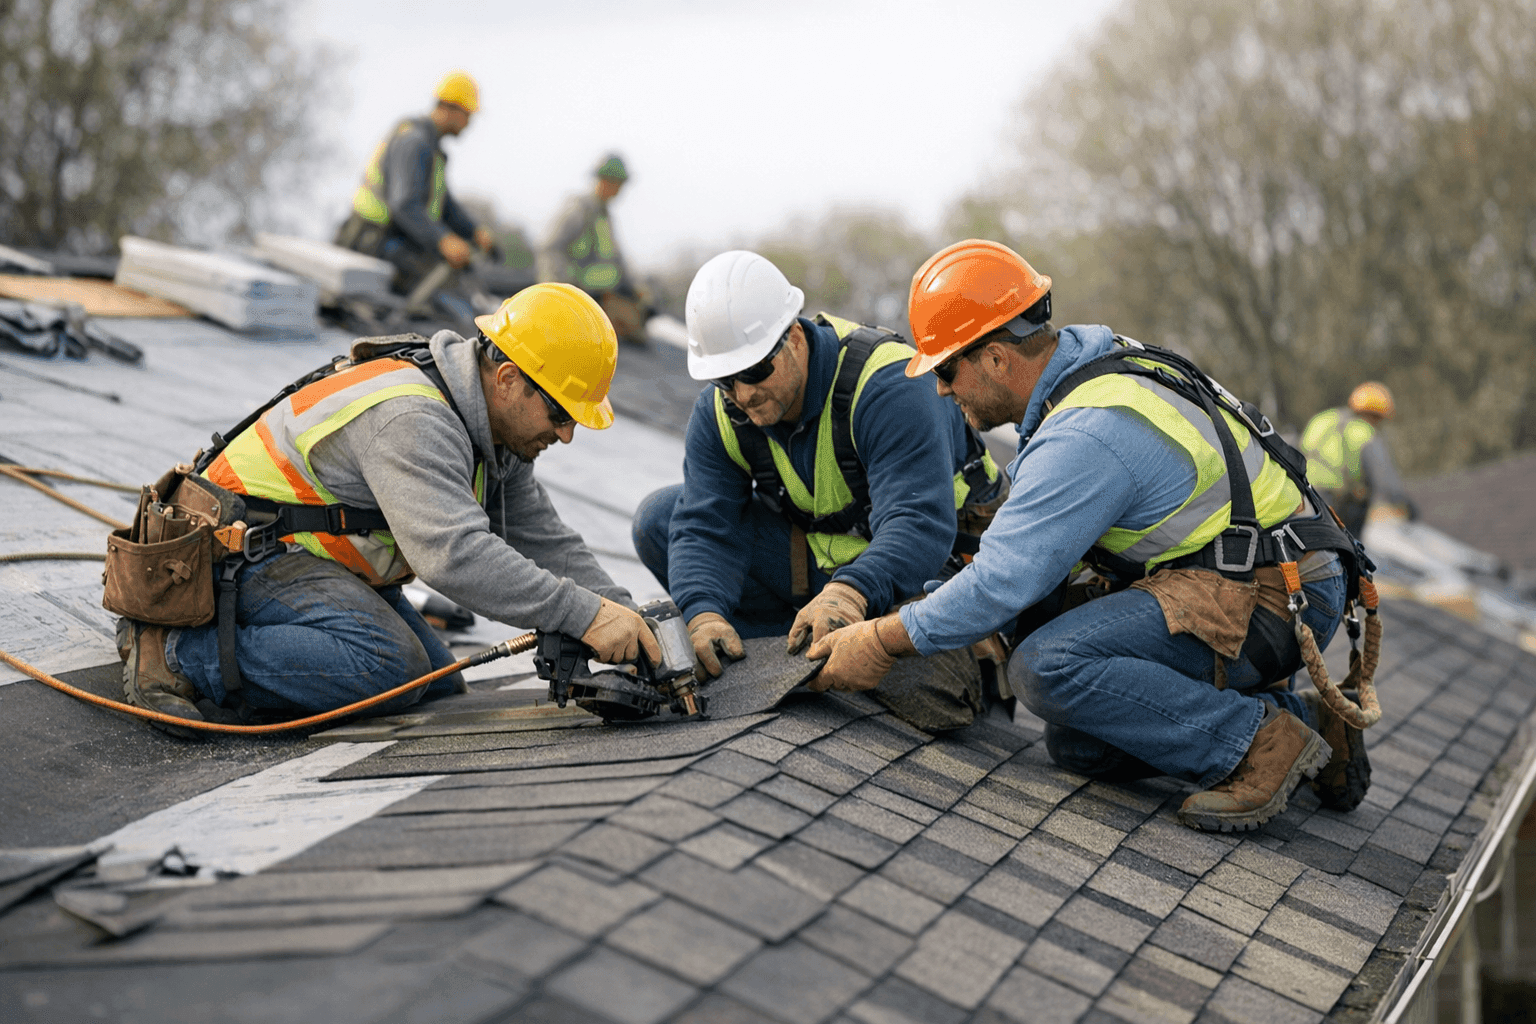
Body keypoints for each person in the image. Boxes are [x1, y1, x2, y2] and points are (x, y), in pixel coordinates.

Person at [808, 239, 1375, 832]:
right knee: (1078, 743)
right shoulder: (1090, 370)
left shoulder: (1087, 432)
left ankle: (1258, 742)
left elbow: (1001, 583)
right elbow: (1015, 556)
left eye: (947, 369)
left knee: (1045, 667)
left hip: (1275, 597)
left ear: (998, 359)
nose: (942, 390)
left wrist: (880, 640)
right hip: (1259, 573)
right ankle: (1304, 721)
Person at [120, 284, 660, 735]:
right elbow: (454, 557)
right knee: (389, 669)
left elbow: (543, 537)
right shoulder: (413, 419)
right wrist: (582, 615)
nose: (565, 436)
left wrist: (632, 617)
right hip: (235, 553)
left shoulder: (493, 431)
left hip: (295, 554)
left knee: (436, 686)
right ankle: (176, 652)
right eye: (561, 413)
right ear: (508, 379)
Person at [631, 250, 1006, 726]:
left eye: (754, 372)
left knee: (931, 693)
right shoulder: (722, 411)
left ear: (793, 337)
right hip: (826, 566)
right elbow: (705, 526)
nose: (742, 395)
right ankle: (803, 648)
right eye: (726, 380)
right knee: (660, 519)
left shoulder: (891, 386)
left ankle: (823, 650)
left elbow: (918, 524)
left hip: (928, 571)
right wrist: (702, 612)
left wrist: (850, 594)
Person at [334, 70, 497, 294]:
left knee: (457, 280)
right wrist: (443, 241)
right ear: (448, 107)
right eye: (467, 114)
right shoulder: (414, 143)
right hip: (372, 241)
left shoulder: (430, 149)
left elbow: (446, 205)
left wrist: (474, 232)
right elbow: (405, 205)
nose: (469, 123)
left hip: (388, 239)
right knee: (449, 291)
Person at [539, 154, 649, 344]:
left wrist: (636, 288)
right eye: (615, 183)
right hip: (576, 296)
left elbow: (616, 260)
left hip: (600, 296)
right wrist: (561, 293)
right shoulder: (579, 209)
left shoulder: (604, 217)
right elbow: (550, 248)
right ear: (604, 181)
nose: (617, 189)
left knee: (636, 326)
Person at [1300, 382, 1412, 536]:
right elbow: (1385, 479)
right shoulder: (1364, 433)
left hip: (1306, 499)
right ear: (1375, 415)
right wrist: (1405, 503)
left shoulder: (1321, 420)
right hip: (1340, 504)